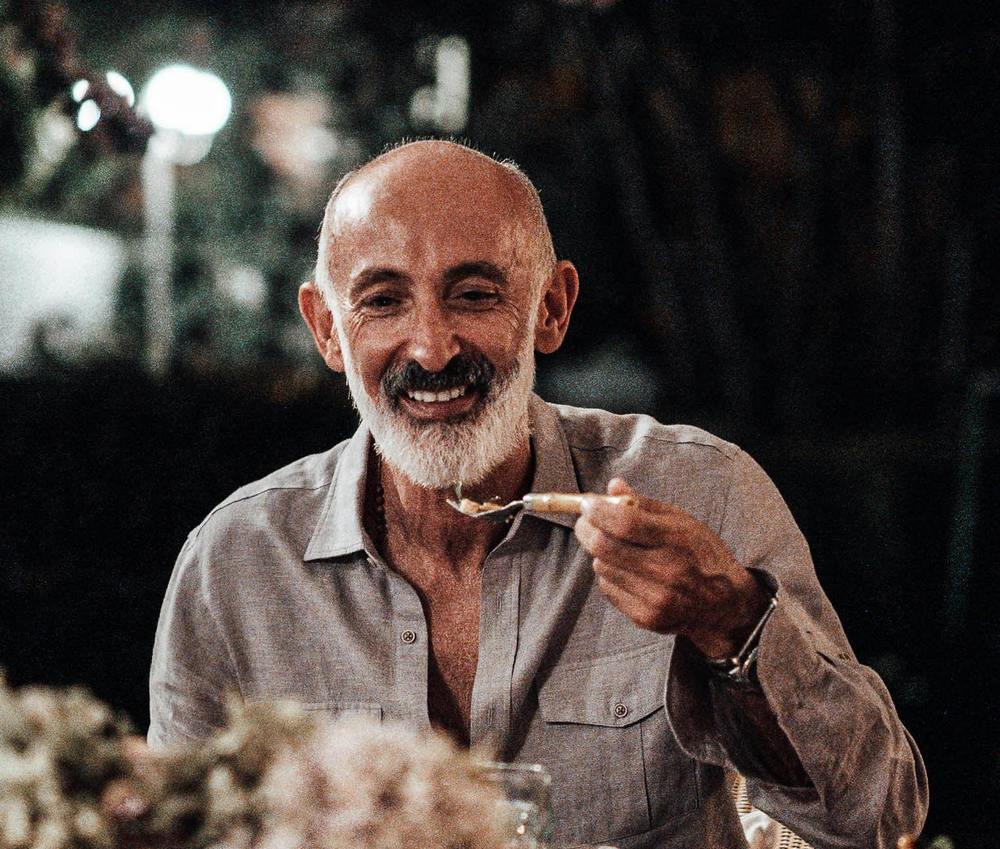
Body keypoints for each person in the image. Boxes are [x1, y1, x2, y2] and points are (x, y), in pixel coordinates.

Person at [150, 140, 928, 848]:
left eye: (474, 294)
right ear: (326, 328)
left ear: (551, 308)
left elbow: (878, 819)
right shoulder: (237, 563)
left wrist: (732, 621)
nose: (432, 348)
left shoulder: (701, 492)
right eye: (383, 300)